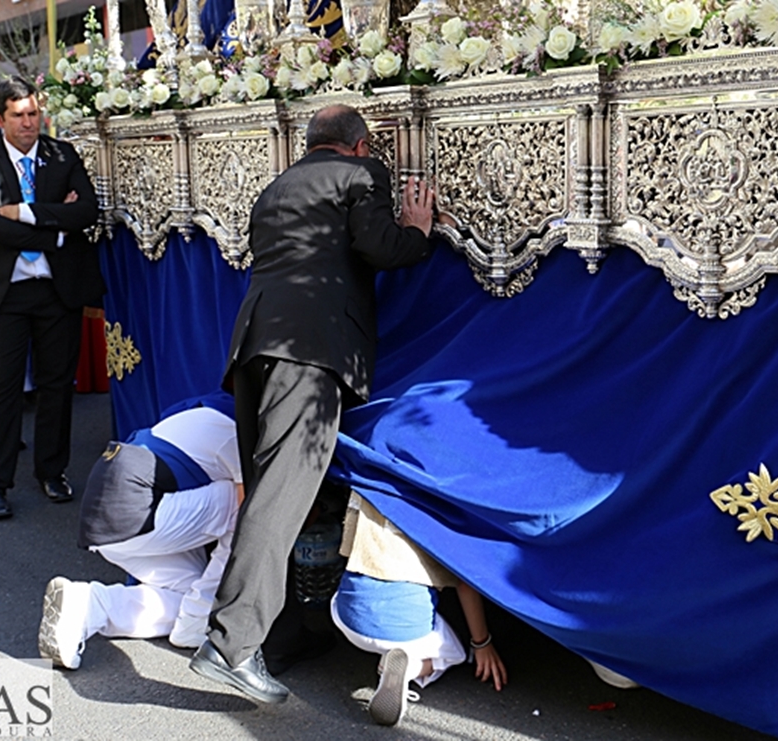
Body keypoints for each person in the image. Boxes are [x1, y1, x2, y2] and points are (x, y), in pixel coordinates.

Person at [189, 104, 435, 704]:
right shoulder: (361, 175)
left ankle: (277, 634)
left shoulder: (276, 187)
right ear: (358, 145)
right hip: (310, 353)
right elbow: (379, 245)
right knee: (280, 500)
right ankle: (230, 644)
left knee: (276, 497)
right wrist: (418, 233)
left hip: (254, 348)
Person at [0, 78, 103, 520]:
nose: (28, 123)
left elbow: (87, 211)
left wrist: (27, 212)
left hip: (56, 290)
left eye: (33, 114)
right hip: (2, 294)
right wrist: (59, 229)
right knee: (0, 389)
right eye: (18, 115)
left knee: (57, 386)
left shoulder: (62, 155)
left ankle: (52, 471)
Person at [38, 402, 243, 669]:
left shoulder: (199, 412)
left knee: (184, 594)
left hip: (107, 518)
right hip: (135, 509)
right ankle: (198, 616)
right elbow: (250, 511)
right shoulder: (232, 427)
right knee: (245, 505)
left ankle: (87, 605)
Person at [331, 491, 506, 726]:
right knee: (454, 653)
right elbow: (466, 583)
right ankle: (410, 668)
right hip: (407, 632)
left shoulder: (369, 488)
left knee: (343, 596)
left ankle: (390, 655)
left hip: (348, 619)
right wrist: (482, 642)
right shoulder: (440, 506)